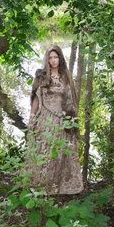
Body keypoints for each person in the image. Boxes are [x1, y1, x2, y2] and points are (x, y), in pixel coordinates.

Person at [25, 45, 83, 195]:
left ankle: (59, 187)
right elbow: (36, 99)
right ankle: (41, 185)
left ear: (60, 58)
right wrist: (32, 118)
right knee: (44, 151)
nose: (53, 60)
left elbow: (72, 100)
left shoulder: (66, 76)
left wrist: (72, 121)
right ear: (47, 59)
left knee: (60, 152)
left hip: (62, 119)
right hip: (45, 118)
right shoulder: (41, 76)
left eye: (55, 57)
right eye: (50, 57)